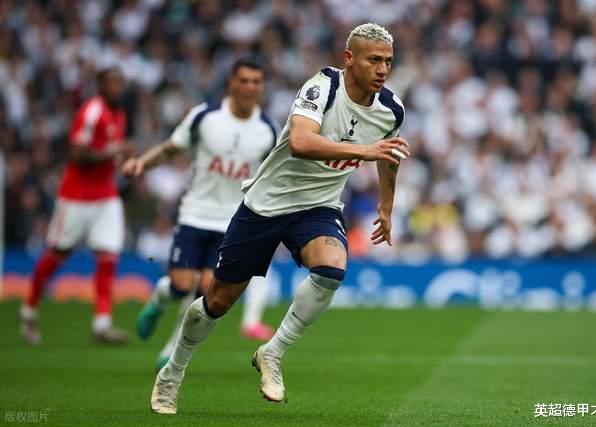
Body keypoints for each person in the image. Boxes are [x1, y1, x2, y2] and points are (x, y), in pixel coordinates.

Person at [150, 23, 409, 414]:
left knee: (332, 269)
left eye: (388, 61)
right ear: (349, 58)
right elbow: (302, 142)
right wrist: (365, 151)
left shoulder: (391, 110)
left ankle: (272, 352)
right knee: (217, 302)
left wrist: (385, 207)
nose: (383, 69)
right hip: (266, 206)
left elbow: (389, 155)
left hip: (318, 207)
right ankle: (172, 372)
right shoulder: (323, 88)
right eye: (374, 60)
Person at [122, 58, 278, 371]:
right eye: (244, 80)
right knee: (180, 285)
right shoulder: (205, 117)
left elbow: (273, 175)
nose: (249, 87)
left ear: (261, 87)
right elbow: (170, 148)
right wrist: (142, 163)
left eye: (255, 82)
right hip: (195, 214)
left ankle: (171, 349)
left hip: (232, 222)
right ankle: (159, 298)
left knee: (205, 292)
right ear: (231, 83)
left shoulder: (268, 130)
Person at [19, 67, 130, 345]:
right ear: (101, 86)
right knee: (58, 252)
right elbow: (76, 154)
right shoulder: (92, 112)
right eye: (112, 83)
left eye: (121, 83)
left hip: (106, 195)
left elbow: (108, 155)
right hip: (76, 197)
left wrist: (120, 160)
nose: (118, 88)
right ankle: (29, 309)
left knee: (108, 255)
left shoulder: (119, 113)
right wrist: (113, 151)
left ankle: (102, 323)